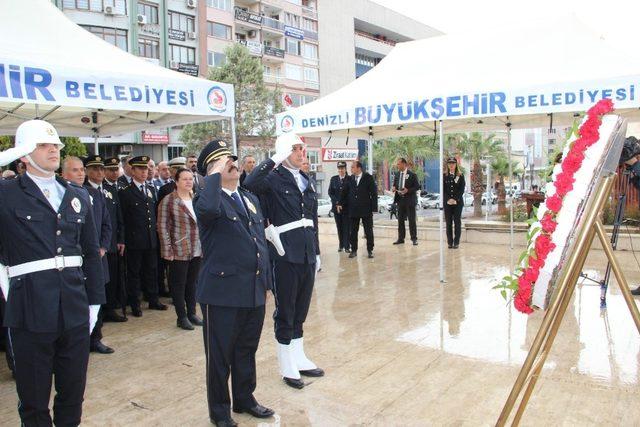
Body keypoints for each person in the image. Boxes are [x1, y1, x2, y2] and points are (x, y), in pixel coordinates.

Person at [0, 119, 103, 426]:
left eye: (55, 145)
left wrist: (95, 302)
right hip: (30, 306)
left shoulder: (77, 195)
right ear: (24, 153)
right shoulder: (6, 194)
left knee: (73, 393)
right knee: (33, 399)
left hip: (74, 305)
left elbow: (91, 252)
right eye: (42, 145)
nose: (53, 150)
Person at [194, 140, 274, 426]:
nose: (232, 163)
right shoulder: (206, 198)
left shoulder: (248, 198)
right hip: (222, 293)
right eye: (222, 160)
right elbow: (206, 211)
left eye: (232, 158)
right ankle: (219, 413)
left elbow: (259, 244)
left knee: (246, 349)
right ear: (210, 171)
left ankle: (244, 398)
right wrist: (212, 177)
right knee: (219, 357)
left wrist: (267, 283)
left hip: (252, 290)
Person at [244, 133, 324, 390]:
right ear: (285, 151)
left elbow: (313, 218)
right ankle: (286, 363)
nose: (303, 153)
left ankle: (299, 357)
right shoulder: (272, 179)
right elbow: (250, 184)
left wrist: (318, 251)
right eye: (297, 149)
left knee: (301, 308)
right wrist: (276, 158)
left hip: (306, 252)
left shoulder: (304, 179)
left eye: (302, 148)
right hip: (284, 253)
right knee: (286, 309)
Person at [118, 156, 168, 316]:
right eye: (140, 169)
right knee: (134, 273)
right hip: (134, 240)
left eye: (145, 168)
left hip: (150, 239)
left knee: (152, 270)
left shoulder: (151, 189)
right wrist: (123, 239)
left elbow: (153, 215)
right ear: (132, 171)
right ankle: (135, 304)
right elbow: (123, 218)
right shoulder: (125, 192)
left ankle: (153, 299)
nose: (144, 172)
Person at [157, 168, 203, 331]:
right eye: (184, 179)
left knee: (192, 283)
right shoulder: (169, 200)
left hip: (196, 247)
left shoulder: (196, 198)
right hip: (179, 249)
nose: (189, 182)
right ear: (176, 182)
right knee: (178, 284)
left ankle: (192, 313)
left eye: (190, 179)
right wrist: (167, 250)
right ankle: (181, 317)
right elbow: (162, 227)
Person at [102, 157, 128, 322]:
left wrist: (121, 239)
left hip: (112, 242)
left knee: (113, 277)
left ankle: (111, 308)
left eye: (115, 169)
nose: (114, 172)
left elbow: (119, 218)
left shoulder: (113, 190)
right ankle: (103, 310)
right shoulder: (96, 189)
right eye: (110, 169)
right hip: (99, 243)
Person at [338, 161, 378, 259]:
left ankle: (370, 250)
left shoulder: (368, 177)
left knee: (368, 231)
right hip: (353, 209)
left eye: (352, 167)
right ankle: (354, 250)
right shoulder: (350, 178)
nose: (351, 169)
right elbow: (344, 192)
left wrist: (374, 208)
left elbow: (374, 193)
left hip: (366, 209)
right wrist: (339, 203)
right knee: (353, 231)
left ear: (359, 168)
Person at [392, 158, 420, 246]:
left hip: (410, 201)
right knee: (400, 220)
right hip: (400, 200)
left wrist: (408, 190)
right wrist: (393, 188)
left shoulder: (412, 175)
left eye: (399, 164)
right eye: (397, 164)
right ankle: (401, 238)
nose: (397, 166)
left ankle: (414, 238)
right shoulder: (396, 174)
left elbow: (417, 187)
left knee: (411, 220)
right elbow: (395, 184)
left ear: (404, 164)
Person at [328, 161, 351, 252]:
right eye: (339, 168)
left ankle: (347, 246)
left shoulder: (350, 179)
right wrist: (337, 203)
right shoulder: (333, 179)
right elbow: (330, 192)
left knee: (347, 227)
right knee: (339, 227)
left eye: (342, 168)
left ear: (345, 169)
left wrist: (341, 204)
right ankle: (341, 245)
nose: (341, 170)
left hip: (346, 208)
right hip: (336, 208)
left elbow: (350, 194)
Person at [443, 157, 466, 249]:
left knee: (457, 222)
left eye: (453, 163)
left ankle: (456, 242)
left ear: (456, 165)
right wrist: (448, 199)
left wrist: (455, 199)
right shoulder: (444, 176)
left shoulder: (460, 175)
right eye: (449, 163)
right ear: (447, 165)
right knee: (448, 223)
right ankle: (449, 242)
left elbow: (462, 189)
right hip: (447, 203)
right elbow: (443, 189)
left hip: (458, 203)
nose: (451, 165)